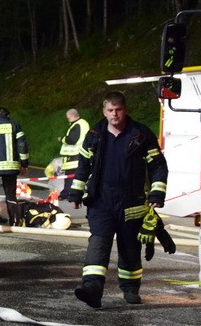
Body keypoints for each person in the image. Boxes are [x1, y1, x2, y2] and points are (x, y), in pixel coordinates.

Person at [68, 91, 168, 307]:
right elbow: (84, 165)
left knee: (130, 246)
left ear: (125, 110)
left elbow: (158, 165)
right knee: (98, 242)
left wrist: (157, 193)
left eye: (118, 110)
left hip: (131, 202)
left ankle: (131, 288)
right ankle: (92, 288)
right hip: (101, 201)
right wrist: (76, 191)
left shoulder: (141, 134)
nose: (115, 114)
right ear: (104, 111)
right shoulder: (94, 134)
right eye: (110, 110)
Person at [58, 108, 90, 200]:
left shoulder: (77, 125)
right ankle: (77, 194)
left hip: (74, 156)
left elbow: (72, 139)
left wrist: (62, 139)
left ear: (72, 116)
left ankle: (66, 193)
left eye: (68, 118)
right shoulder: (83, 123)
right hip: (80, 154)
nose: (68, 120)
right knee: (79, 176)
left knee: (69, 176)